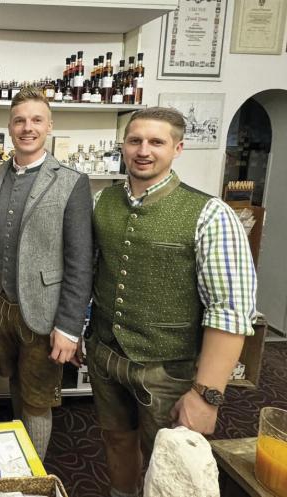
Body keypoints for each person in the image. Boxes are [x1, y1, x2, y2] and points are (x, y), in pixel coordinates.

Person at [88, 107, 257, 497]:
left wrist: (207, 395)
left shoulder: (210, 214)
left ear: (177, 148)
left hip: (167, 369)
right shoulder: (102, 202)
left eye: (156, 142)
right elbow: (93, 273)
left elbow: (230, 312)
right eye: (135, 141)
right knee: (115, 441)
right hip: (106, 355)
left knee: (171, 466)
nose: (143, 150)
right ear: (123, 146)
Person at [0, 87, 93, 458]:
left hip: (44, 314)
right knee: (16, 385)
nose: (27, 128)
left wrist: (69, 326)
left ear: (50, 126)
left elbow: (81, 262)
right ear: (10, 126)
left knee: (37, 401)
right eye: (19, 120)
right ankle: (19, 463)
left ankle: (33, 480)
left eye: (36, 120)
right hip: (1, 308)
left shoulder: (71, 181)